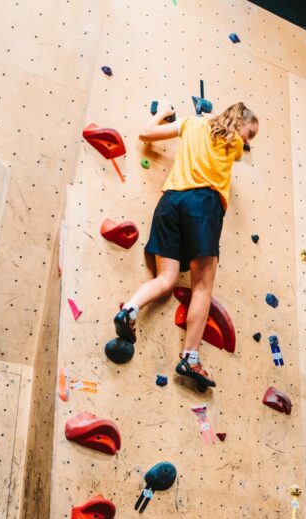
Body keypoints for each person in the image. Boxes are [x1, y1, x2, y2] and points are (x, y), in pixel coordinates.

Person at [113, 100, 258, 391]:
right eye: (250, 132)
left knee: (166, 279)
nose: (248, 139)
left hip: (170, 202)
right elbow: (240, 151)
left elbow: (144, 134)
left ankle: (130, 309)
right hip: (203, 206)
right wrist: (238, 138)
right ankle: (190, 358)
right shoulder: (236, 144)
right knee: (202, 287)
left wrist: (161, 114)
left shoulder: (190, 124)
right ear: (240, 124)